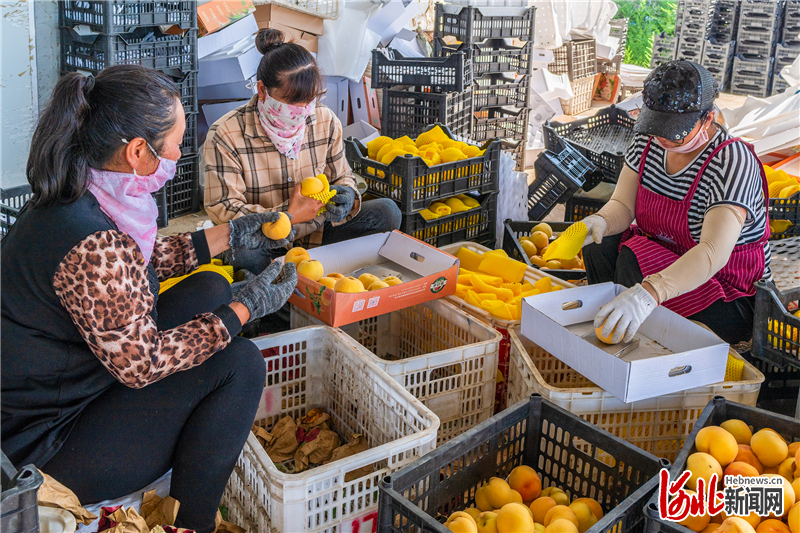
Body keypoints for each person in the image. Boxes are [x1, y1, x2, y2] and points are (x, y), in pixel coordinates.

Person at [1, 66, 297, 533]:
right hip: (45, 448)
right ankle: (192, 523)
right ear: (138, 151)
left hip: (54, 393)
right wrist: (242, 312)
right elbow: (140, 364)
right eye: (177, 142)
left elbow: (130, 267)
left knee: (211, 287)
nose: (181, 152)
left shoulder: (77, 190)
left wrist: (231, 234)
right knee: (240, 363)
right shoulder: (94, 245)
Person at [578, 60, 770, 345]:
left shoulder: (731, 161)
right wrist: (601, 220)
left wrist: (649, 293)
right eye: (656, 126)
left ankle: (639, 338)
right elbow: (623, 205)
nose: (662, 138)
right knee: (599, 244)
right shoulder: (647, 141)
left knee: (633, 258)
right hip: (667, 257)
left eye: (675, 131)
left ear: (707, 118)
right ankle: (612, 326)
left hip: (728, 289)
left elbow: (712, 252)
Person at [204, 28, 402, 275]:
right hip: (263, 242)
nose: (301, 112)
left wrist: (347, 195)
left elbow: (342, 176)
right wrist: (287, 215)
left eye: (308, 101)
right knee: (240, 251)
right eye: (290, 102)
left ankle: (300, 279)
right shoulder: (226, 134)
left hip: (316, 233)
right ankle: (276, 295)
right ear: (262, 90)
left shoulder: (324, 120)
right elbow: (223, 210)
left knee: (387, 212)